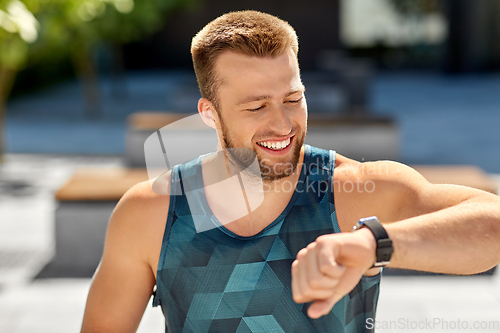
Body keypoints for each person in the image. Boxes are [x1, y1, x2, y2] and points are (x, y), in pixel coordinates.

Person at [80, 10, 500, 333]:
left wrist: (375, 244)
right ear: (209, 114)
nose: (282, 125)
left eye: (293, 98)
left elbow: (492, 226)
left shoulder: (352, 191)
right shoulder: (150, 213)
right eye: (256, 106)